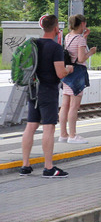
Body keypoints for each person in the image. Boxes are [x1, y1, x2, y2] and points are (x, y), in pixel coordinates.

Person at [20, 14, 73, 178]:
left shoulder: (34, 44)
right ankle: (48, 167)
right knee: (49, 127)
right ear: (56, 28)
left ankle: (25, 165)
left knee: (31, 126)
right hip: (48, 91)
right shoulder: (55, 48)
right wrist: (69, 69)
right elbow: (60, 73)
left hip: (33, 89)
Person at [58, 14, 96, 145]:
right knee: (74, 106)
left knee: (65, 105)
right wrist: (90, 52)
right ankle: (72, 135)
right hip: (77, 74)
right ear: (82, 24)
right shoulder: (80, 40)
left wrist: (85, 37)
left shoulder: (68, 36)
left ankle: (63, 134)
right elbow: (80, 59)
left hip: (68, 73)